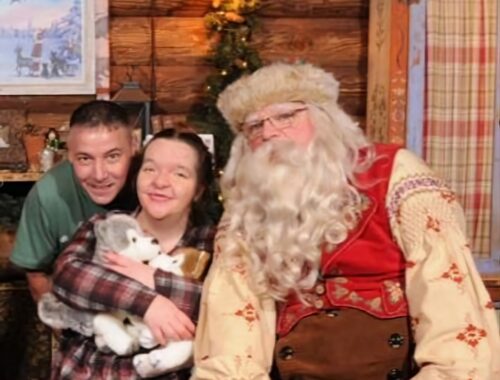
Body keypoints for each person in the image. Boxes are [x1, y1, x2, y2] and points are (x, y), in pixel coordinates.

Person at [192, 62, 500, 379]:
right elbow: (232, 324)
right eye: (254, 126)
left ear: (324, 118)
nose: (270, 132)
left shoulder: (396, 174)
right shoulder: (248, 207)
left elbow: (451, 307)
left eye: (286, 116)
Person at [50, 128, 218, 379]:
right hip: (88, 371)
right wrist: (148, 303)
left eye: (180, 173)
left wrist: (152, 278)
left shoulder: (212, 242)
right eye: (150, 169)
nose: (160, 182)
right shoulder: (108, 225)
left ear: (198, 190)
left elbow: (217, 303)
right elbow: (68, 273)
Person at [10, 100, 138, 303]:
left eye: (112, 156)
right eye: (85, 159)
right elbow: (36, 275)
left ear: (134, 146)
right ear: (69, 153)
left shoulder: (152, 185)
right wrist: (66, 330)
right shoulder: (48, 194)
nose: (99, 174)